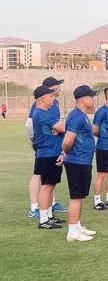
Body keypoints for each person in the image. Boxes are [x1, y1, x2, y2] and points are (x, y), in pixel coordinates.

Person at [62, 86, 100, 242]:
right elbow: (67, 141)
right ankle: (72, 232)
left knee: (80, 196)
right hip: (77, 161)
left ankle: (77, 225)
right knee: (76, 197)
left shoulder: (82, 115)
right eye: (91, 97)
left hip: (83, 160)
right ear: (83, 99)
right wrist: (67, 152)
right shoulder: (76, 116)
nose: (93, 99)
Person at [31, 85, 66, 229]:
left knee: (51, 187)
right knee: (46, 187)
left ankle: (49, 215)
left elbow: (60, 129)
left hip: (52, 153)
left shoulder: (44, 113)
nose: (53, 99)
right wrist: (60, 128)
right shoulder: (42, 113)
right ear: (43, 98)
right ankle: (43, 219)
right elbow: (64, 128)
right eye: (51, 96)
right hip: (47, 155)